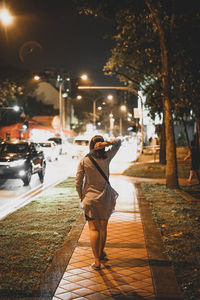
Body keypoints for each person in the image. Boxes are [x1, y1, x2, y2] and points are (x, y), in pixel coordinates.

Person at [75, 135, 121, 270]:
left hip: (90, 199)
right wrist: (107, 143)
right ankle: (101, 254)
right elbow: (119, 142)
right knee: (103, 228)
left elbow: (78, 183)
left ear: (91, 145)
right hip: (105, 198)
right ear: (102, 145)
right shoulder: (107, 157)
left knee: (94, 229)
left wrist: (81, 196)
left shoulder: (84, 161)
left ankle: (97, 261)